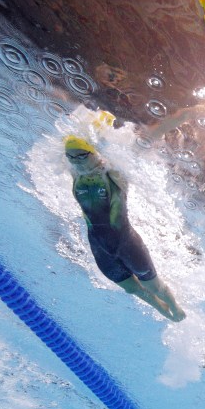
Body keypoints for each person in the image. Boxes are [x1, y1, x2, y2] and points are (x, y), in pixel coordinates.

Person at [65, 132, 186, 321]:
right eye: (71, 157)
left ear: (93, 153)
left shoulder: (113, 174)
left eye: (82, 155)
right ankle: (161, 309)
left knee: (152, 286)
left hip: (126, 242)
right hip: (99, 247)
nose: (76, 161)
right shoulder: (75, 176)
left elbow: (132, 152)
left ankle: (174, 306)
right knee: (131, 288)